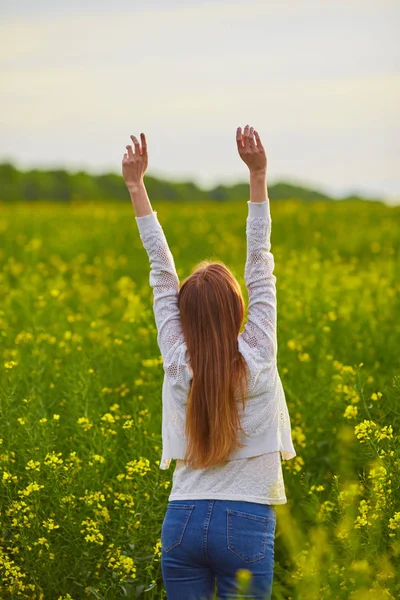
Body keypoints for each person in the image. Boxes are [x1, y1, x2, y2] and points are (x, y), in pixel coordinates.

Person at [122, 125, 297, 600]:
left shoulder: (177, 363)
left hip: (181, 517)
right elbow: (259, 261)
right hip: (246, 520)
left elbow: (161, 273)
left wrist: (137, 187)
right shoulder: (257, 354)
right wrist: (258, 175)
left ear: (183, 316)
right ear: (238, 310)